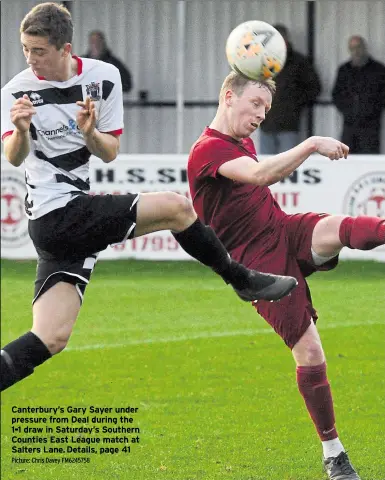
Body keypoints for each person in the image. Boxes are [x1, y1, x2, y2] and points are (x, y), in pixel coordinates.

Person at [0, 3, 297, 392]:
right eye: (25, 49)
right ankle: (240, 279)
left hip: (70, 217)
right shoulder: (16, 91)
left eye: (38, 50)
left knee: (50, 337)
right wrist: (21, 130)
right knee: (176, 207)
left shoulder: (103, 78)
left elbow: (108, 152)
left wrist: (89, 131)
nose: (29, 58)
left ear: (64, 48)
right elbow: (13, 156)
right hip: (55, 215)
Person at [188, 71, 385, 479]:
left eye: (266, 108)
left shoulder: (242, 140)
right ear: (228, 96)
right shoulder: (207, 150)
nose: (261, 115)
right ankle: (333, 453)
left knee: (341, 228)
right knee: (310, 353)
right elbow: (262, 176)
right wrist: (312, 143)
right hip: (256, 265)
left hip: (281, 228)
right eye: (255, 104)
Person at [259, 24, 321, 154]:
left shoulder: (299, 62)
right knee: (265, 167)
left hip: (289, 125)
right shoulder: (263, 62)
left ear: (286, 39)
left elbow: (314, 88)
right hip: (266, 124)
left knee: (288, 166)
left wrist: (294, 105)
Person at [332, 35, 385, 154]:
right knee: (347, 158)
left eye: (358, 47)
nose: (356, 51)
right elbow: (336, 95)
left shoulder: (378, 70)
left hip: (371, 127)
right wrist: (347, 111)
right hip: (349, 125)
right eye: (352, 48)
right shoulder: (344, 70)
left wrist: (372, 111)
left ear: (364, 48)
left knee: (369, 159)